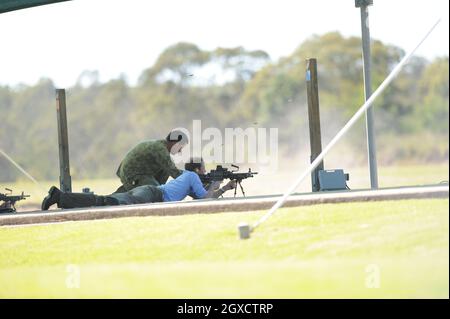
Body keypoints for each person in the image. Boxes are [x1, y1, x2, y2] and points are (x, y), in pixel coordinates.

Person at [41, 158, 236, 210]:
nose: (204, 170)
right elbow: (205, 197)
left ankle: (60, 197)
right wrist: (219, 182)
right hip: (152, 194)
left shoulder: (188, 178)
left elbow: (203, 198)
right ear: (198, 169)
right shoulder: (192, 176)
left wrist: (223, 187)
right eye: (203, 168)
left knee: (103, 201)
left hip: (149, 191)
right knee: (105, 203)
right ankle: (60, 197)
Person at [114, 129, 189, 193]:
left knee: (164, 175)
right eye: (180, 147)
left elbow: (172, 170)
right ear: (174, 142)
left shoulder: (162, 148)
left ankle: (111, 198)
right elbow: (175, 174)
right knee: (156, 192)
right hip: (132, 175)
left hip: (138, 174)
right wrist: (193, 180)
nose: (180, 151)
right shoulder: (160, 149)